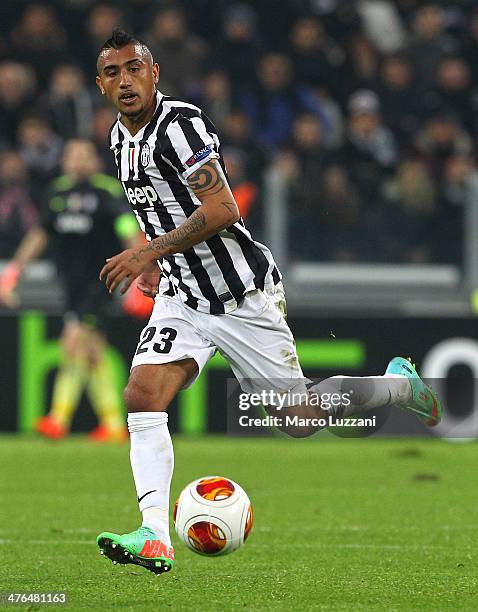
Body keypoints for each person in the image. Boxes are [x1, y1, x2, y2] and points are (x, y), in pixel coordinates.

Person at [94, 29, 442, 575]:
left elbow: (224, 208)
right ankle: (154, 534)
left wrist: (146, 253)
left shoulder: (180, 127)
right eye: (113, 73)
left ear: (154, 73)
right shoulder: (118, 138)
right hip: (185, 296)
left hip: (241, 296)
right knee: (142, 396)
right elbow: (155, 204)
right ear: (101, 84)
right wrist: (160, 263)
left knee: (299, 418)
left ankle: (399, 384)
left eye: (134, 69)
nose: (125, 81)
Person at [0, 139, 139, 442]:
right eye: (72, 155)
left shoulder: (108, 191)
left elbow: (128, 229)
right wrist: (14, 271)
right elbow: (40, 234)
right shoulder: (57, 192)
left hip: (102, 280)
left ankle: (58, 418)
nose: (77, 161)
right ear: (64, 160)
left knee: (73, 342)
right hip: (71, 283)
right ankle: (114, 424)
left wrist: (140, 267)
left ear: (94, 161)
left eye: (83, 155)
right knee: (92, 352)